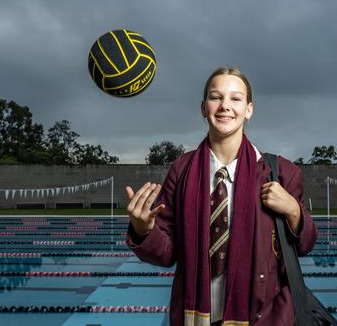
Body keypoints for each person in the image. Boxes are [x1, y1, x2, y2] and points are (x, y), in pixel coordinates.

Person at [125, 66, 318, 326]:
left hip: (264, 317)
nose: (225, 105)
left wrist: (294, 211)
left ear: (248, 109)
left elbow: (305, 245)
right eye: (216, 97)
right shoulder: (181, 171)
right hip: (197, 316)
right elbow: (166, 253)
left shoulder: (281, 173)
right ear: (203, 107)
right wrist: (143, 230)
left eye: (236, 98)